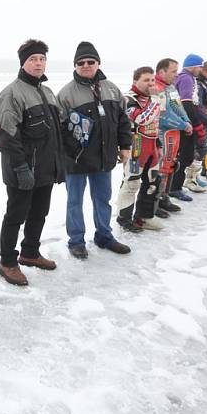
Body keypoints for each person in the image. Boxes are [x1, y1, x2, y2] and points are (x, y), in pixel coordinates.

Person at [0, 39, 63, 286]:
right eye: (33, 59)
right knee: (15, 216)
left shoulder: (47, 92)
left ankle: (30, 253)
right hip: (22, 170)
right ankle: (7, 262)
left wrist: (59, 165)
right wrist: (21, 168)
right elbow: (6, 137)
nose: (38, 63)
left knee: (39, 213)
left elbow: (55, 132)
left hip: (45, 169)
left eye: (42, 59)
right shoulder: (11, 94)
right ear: (23, 63)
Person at [57, 41, 132, 259]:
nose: (86, 65)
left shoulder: (111, 89)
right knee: (74, 202)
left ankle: (104, 236)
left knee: (102, 199)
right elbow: (59, 130)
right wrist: (72, 150)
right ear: (75, 65)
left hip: (104, 158)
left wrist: (125, 145)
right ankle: (76, 241)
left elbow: (123, 120)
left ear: (98, 63)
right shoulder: (66, 94)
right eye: (81, 62)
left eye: (91, 61)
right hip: (76, 160)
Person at [117, 67, 164, 232]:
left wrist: (158, 145)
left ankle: (144, 217)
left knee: (153, 182)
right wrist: (156, 99)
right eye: (146, 80)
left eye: (152, 80)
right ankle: (124, 218)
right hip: (135, 147)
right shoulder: (128, 98)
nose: (150, 83)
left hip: (151, 146)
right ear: (135, 81)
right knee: (132, 183)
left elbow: (155, 123)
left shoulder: (151, 99)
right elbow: (142, 119)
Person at [153, 58, 193, 207]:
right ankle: (155, 202)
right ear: (161, 72)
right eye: (173, 71)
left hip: (174, 133)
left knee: (170, 164)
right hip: (163, 133)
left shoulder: (171, 87)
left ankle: (164, 197)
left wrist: (187, 121)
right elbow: (163, 115)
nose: (177, 74)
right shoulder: (157, 88)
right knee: (162, 166)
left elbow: (178, 106)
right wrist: (184, 125)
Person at [172, 54, 207, 194]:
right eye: (199, 67)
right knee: (185, 156)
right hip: (185, 122)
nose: (200, 70)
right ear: (193, 66)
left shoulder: (187, 77)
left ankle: (176, 186)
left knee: (184, 155)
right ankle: (175, 187)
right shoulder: (186, 78)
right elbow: (187, 103)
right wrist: (195, 124)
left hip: (183, 120)